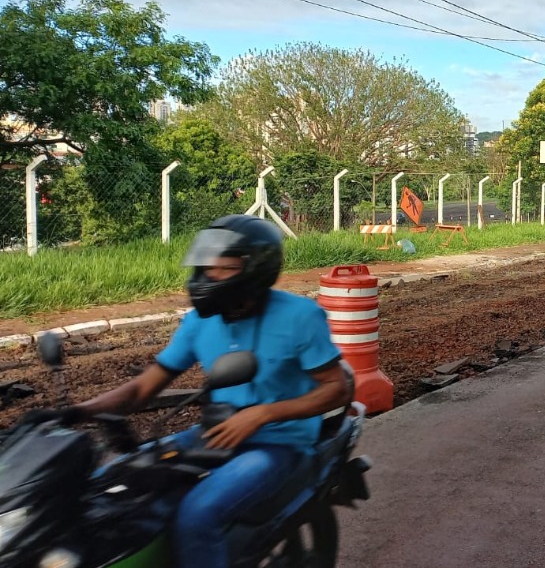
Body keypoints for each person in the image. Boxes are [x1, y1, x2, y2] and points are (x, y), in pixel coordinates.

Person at [63, 214, 351, 568]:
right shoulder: (200, 322)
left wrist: (261, 414)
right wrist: (78, 411)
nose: (209, 275)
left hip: (279, 444)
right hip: (214, 434)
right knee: (107, 484)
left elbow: (336, 389)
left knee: (198, 514)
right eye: (207, 265)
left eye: (224, 268)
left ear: (256, 269)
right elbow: (144, 387)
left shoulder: (300, 317)